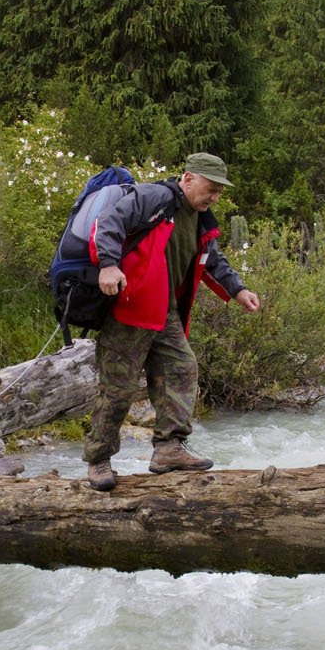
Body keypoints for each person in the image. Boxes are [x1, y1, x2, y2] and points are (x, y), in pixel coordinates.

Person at [83, 152, 261, 491]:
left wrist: (238, 290)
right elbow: (108, 223)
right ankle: (98, 461)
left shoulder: (199, 218)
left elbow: (212, 257)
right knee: (118, 390)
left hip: (165, 312)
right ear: (188, 178)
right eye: (211, 189)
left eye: (219, 192)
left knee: (182, 368)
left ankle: (168, 448)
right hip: (131, 309)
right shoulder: (155, 197)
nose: (215, 197)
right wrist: (108, 264)